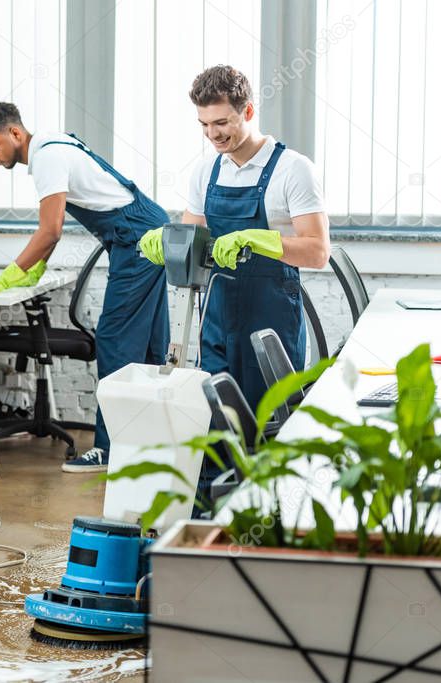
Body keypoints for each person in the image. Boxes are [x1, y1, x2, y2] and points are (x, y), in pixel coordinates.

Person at [139, 65, 330, 505]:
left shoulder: (292, 169)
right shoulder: (206, 172)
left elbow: (318, 252)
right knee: (215, 422)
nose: (213, 135)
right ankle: (210, 526)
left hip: (270, 324)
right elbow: (193, 240)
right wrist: (167, 240)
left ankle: (267, 522)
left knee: (265, 425)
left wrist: (262, 240)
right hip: (217, 315)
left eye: (222, 122)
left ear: (247, 110)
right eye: (204, 125)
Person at [0, 102, 171, 473]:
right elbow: (53, 230)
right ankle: (154, 442)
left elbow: (51, 229)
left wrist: (10, 275)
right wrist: (34, 269)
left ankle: (111, 450)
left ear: (14, 133)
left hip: (138, 240)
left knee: (115, 340)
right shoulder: (54, 145)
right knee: (149, 343)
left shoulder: (46, 158)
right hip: (148, 230)